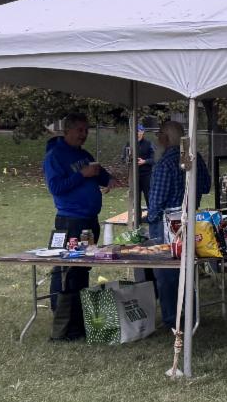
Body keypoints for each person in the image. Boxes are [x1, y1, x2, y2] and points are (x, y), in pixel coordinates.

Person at [42, 113, 112, 341]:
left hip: (89, 221)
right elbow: (56, 188)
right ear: (67, 130)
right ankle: (63, 321)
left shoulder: (83, 155)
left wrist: (106, 178)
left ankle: (79, 319)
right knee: (67, 271)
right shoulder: (55, 156)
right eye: (80, 130)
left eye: (86, 130)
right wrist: (81, 175)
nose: (84, 134)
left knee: (83, 268)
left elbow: (99, 175)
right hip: (70, 221)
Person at [146, 120, 212, 331]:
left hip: (167, 221)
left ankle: (171, 318)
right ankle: (190, 314)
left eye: (159, 135)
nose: (157, 140)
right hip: (191, 218)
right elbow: (206, 186)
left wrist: (150, 218)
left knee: (165, 272)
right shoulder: (195, 158)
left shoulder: (164, 164)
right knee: (187, 268)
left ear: (166, 138)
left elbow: (156, 201)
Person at [122, 124, 155, 212]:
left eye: (139, 131)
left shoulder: (148, 144)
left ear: (143, 132)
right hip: (134, 175)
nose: (138, 133)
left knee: (149, 197)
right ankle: (137, 221)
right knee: (136, 199)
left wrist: (144, 161)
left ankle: (152, 217)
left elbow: (154, 159)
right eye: (136, 131)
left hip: (146, 176)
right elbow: (123, 158)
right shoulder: (129, 144)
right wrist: (129, 159)